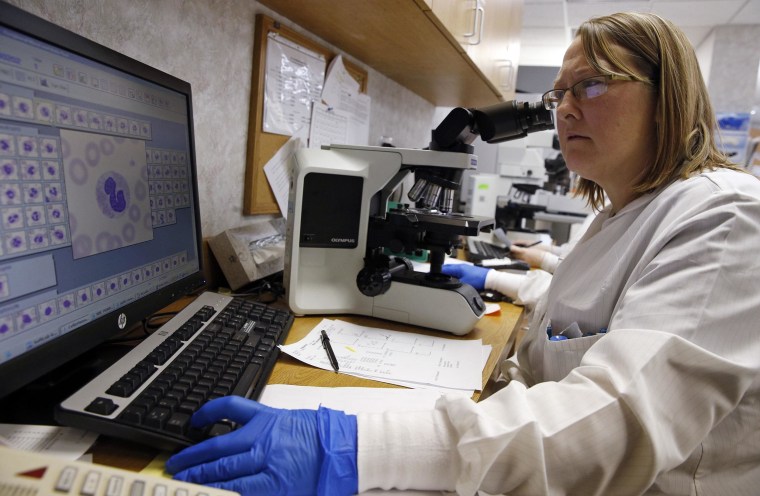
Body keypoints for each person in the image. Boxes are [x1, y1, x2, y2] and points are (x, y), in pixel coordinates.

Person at [165, 11, 760, 495]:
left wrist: (357, 447)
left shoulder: (725, 217)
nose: (567, 108)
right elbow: (575, 313)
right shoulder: (622, 213)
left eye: (592, 85)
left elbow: (609, 426)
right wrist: (486, 277)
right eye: (560, 93)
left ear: (670, 95)